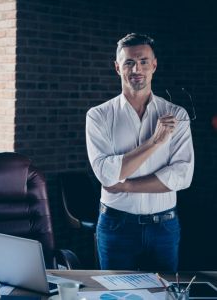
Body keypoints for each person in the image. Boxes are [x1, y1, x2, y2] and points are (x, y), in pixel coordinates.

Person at [86, 33, 194, 272]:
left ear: (154, 65)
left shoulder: (177, 115)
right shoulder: (98, 116)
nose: (137, 68)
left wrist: (126, 185)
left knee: (163, 294)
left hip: (164, 226)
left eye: (144, 61)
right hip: (116, 225)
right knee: (114, 294)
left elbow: (182, 176)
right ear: (117, 67)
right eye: (129, 62)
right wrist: (155, 142)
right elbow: (106, 174)